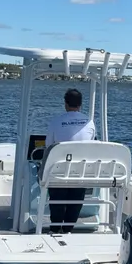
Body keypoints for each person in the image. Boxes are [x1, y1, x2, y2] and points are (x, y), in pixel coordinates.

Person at [44, 88, 96, 233]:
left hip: (59, 171)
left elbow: (49, 146)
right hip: (81, 171)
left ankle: (55, 229)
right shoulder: (89, 123)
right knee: (76, 197)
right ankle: (67, 229)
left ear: (65, 104)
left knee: (57, 196)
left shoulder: (56, 122)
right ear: (80, 104)